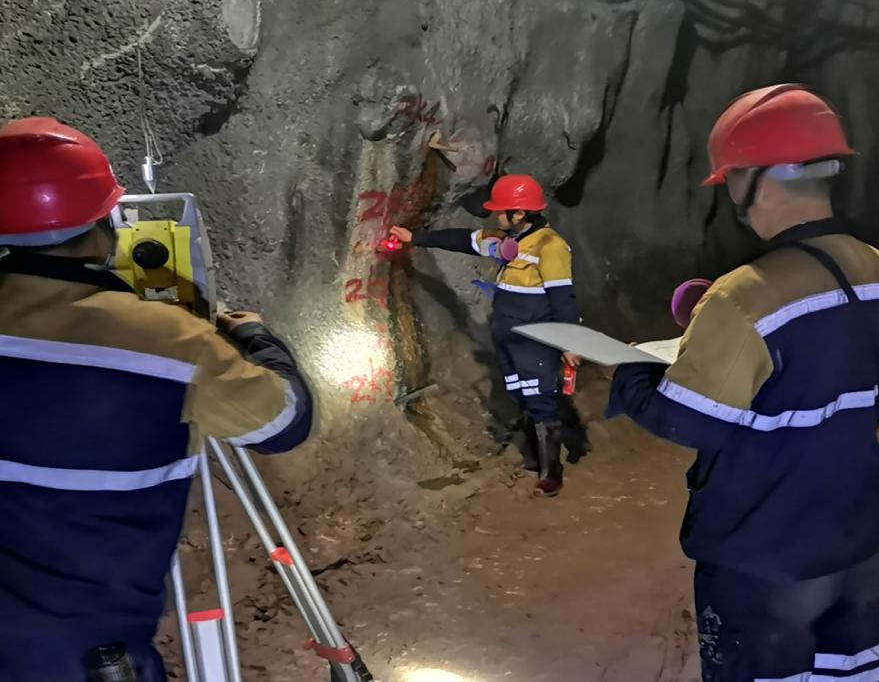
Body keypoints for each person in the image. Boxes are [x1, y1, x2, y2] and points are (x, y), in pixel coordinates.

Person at [607, 85, 879, 681]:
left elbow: (685, 419)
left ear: (754, 180)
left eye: (731, 176)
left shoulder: (743, 296)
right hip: (852, 545)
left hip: (762, 555)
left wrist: (628, 369)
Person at [0, 117, 314, 681]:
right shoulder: (167, 342)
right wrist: (254, 337)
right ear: (106, 223)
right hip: (83, 653)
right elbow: (284, 424)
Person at [389, 175, 585, 496]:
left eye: (500, 210)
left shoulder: (550, 247)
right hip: (507, 336)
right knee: (520, 395)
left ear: (518, 213)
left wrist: (569, 342)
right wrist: (415, 238)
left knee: (540, 400)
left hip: (534, 340)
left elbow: (562, 297)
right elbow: (464, 240)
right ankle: (534, 457)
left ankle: (551, 473)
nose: (495, 215)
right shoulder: (506, 240)